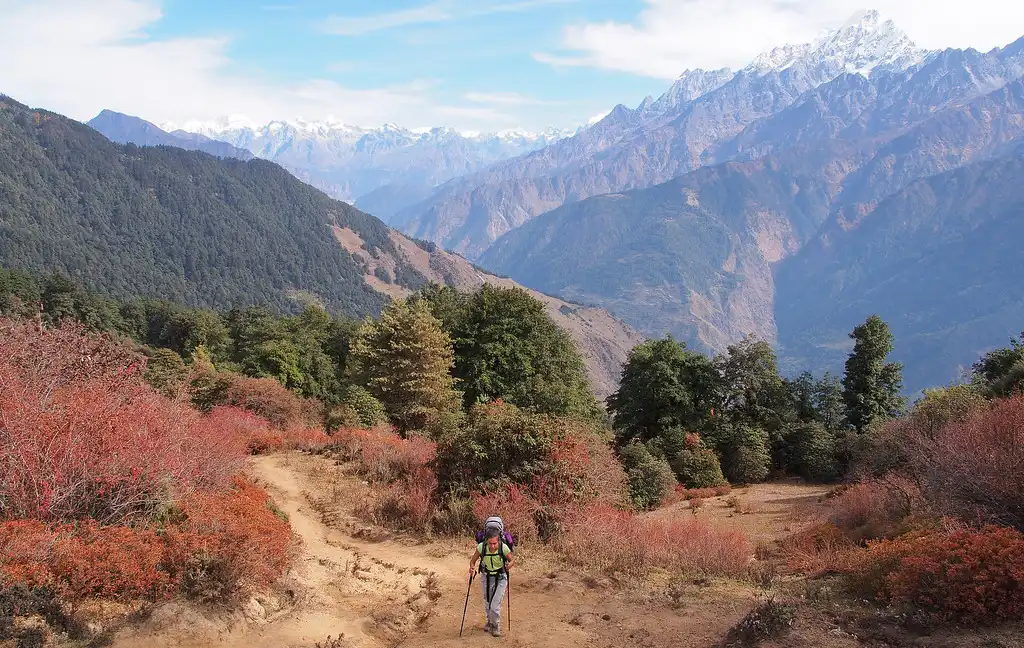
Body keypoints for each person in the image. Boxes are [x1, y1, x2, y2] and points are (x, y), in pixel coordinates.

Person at [469, 526, 512, 636]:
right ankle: (489, 622)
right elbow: (473, 561)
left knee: (494, 605)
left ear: (498, 540)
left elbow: (512, 560)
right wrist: (472, 568)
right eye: (490, 544)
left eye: (494, 543)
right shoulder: (481, 547)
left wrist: (509, 565)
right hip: (486, 577)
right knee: (488, 603)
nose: (492, 546)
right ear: (486, 541)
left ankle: (496, 626)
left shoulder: (504, 547)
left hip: (501, 577)